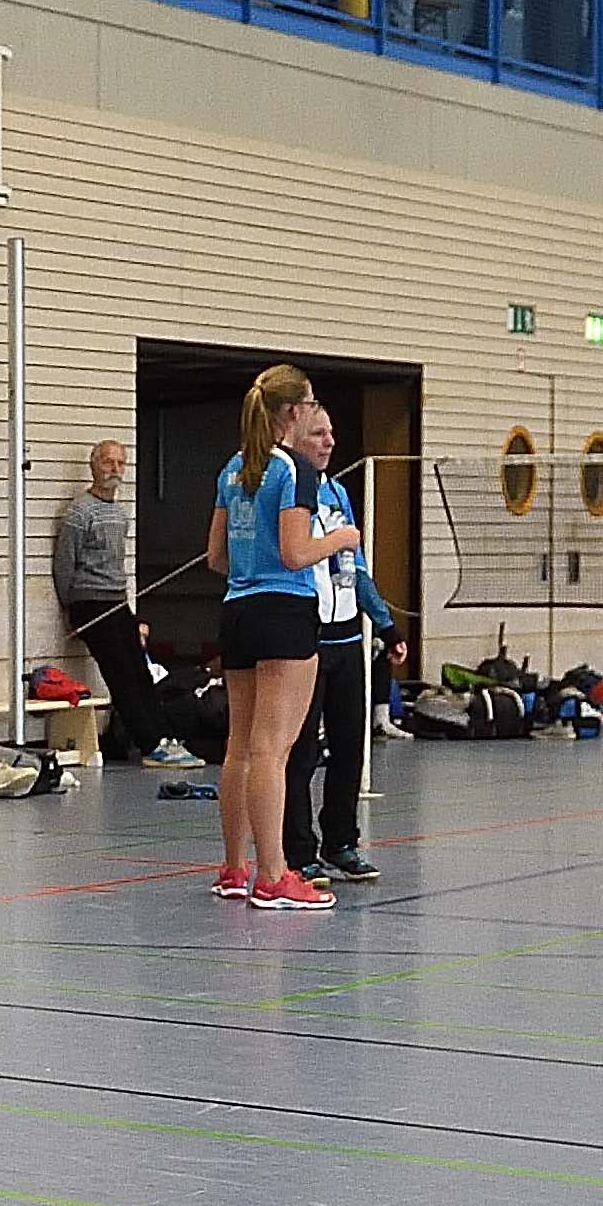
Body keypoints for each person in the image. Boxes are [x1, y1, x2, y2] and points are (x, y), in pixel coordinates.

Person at [204, 362, 356, 912]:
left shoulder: (232, 469)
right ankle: (273, 874)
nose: (317, 414)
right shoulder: (293, 471)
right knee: (275, 747)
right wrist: (341, 537)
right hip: (285, 613)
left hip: (237, 613)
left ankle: (233, 867)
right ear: (293, 412)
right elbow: (295, 553)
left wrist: (251, 567)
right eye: (312, 403)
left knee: (239, 747)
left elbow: (215, 556)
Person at [279, 399, 396, 883]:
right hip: (306, 635)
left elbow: (357, 565)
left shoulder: (340, 495)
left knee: (351, 743)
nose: (328, 442)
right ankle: (296, 850)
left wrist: (385, 623)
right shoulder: (284, 489)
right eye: (318, 434)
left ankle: (342, 841)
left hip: (347, 636)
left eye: (331, 434)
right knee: (301, 750)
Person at [53, 439, 204, 766]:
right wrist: (70, 609)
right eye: (108, 462)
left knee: (140, 671)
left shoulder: (120, 515)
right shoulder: (79, 513)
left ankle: (165, 737)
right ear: (94, 466)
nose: (115, 470)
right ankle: (151, 745)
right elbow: (64, 563)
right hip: (90, 603)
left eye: (121, 463)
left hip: (117, 602)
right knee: (121, 675)